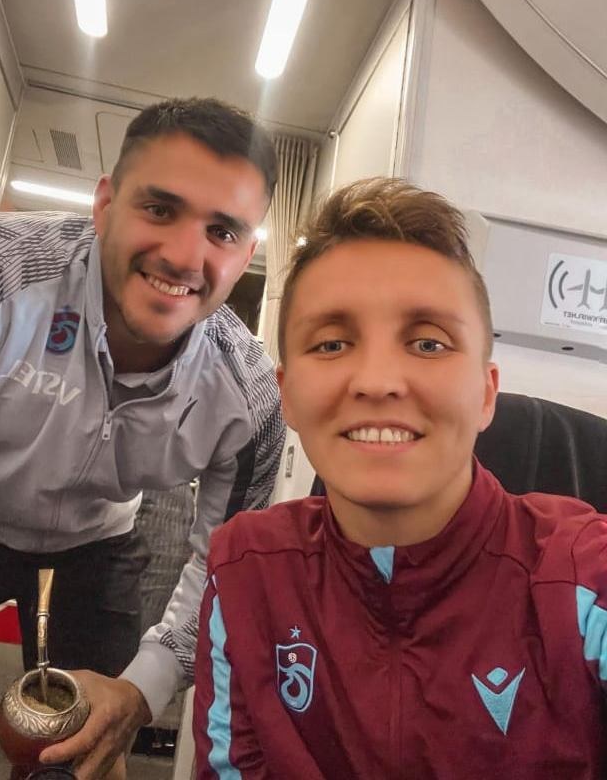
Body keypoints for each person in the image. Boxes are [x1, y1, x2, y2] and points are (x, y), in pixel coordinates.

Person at [0, 97, 285, 780]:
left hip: (99, 545)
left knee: (84, 763)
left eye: (221, 231)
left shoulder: (248, 392)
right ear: (104, 205)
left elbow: (228, 563)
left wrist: (143, 688)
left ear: (247, 253)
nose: (183, 256)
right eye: (158, 209)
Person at [194, 177, 607, 778]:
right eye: (331, 344)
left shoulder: (581, 577)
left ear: (486, 393)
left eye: (429, 344)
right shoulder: (246, 572)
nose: (378, 381)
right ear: (287, 395)